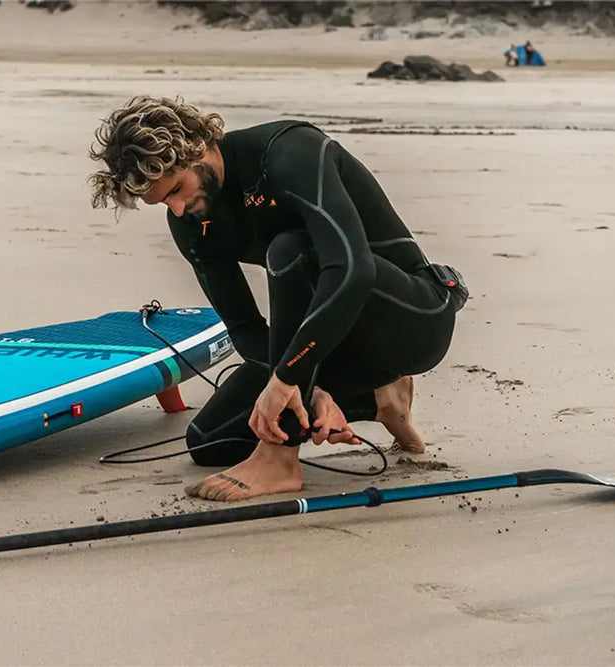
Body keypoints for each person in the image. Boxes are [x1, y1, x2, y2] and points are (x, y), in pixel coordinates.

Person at [88, 96, 466, 501]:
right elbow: (246, 327)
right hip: (331, 344)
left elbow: (353, 271)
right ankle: (381, 400)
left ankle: (279, 460)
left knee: (289, 251)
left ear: (198, 146)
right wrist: (311, 391)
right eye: (163, 202)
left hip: (411, 322)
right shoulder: (191, 222)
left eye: (178, 189)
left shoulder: (287, 153)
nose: (179, 210)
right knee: (209, 441)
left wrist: (288, 379)